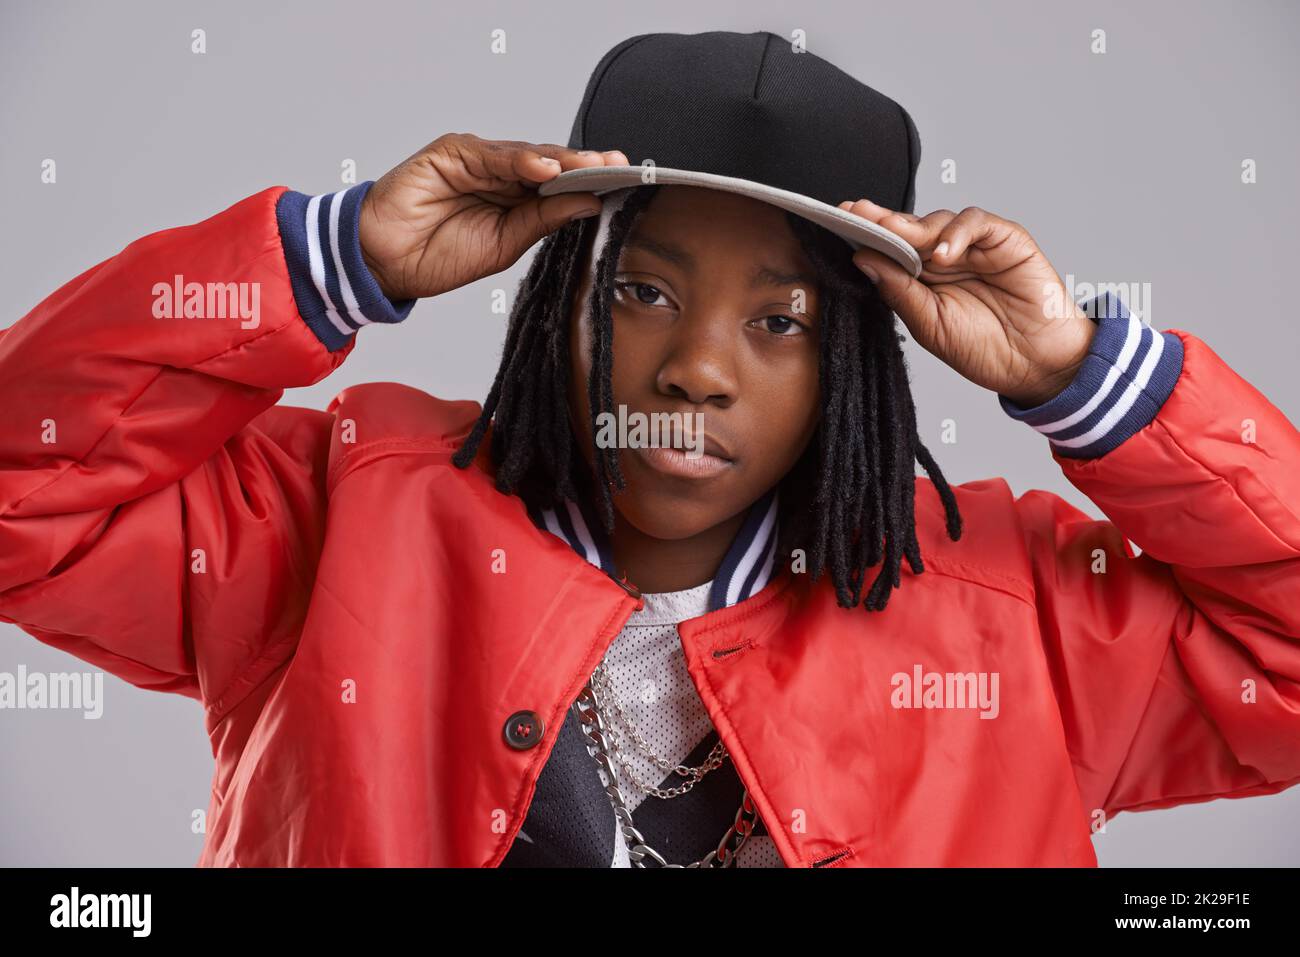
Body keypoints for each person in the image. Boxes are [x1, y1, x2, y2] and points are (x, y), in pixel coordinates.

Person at [1, 30, 1297, 868]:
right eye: (643, 291)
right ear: (557, 291)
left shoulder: (1014, 613)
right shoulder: (340, 511)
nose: (698, 368)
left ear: (848, 360)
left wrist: (1093, 382)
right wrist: (333, 259)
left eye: (779, 319)